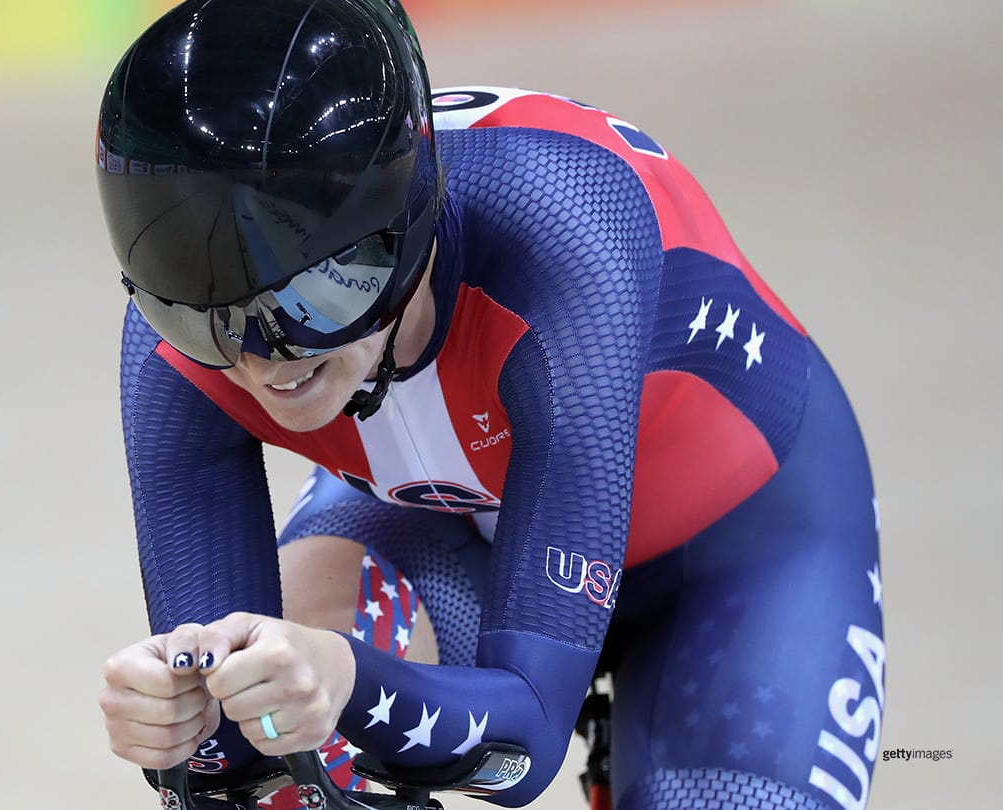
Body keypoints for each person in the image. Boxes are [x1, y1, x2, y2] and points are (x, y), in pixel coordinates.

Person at [93, 1, 885, 808]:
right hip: (454, 520)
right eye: (202, 319)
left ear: (407, 230)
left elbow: (523, 745)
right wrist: (175, 725)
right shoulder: (178, 331)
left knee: (315, 680)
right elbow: (228, 752)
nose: (261, 359)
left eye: (316, 301)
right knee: (270, 723)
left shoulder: (563, 233)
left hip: (737, 548)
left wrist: (346, 674)